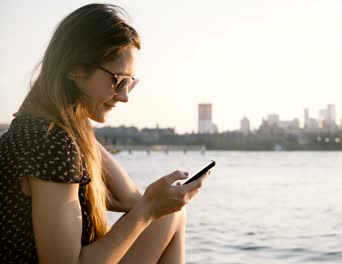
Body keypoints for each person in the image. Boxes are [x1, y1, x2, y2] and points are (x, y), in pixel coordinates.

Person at [0, 4, 209, 263]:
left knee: (170, 214)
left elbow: (129, 198)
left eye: (130, 83)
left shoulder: (54, 128)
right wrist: (147, 210)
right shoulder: (49, 140)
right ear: (74, 69)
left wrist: (156, 204)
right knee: (160, 215)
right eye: (118, 80)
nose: (124, 96)